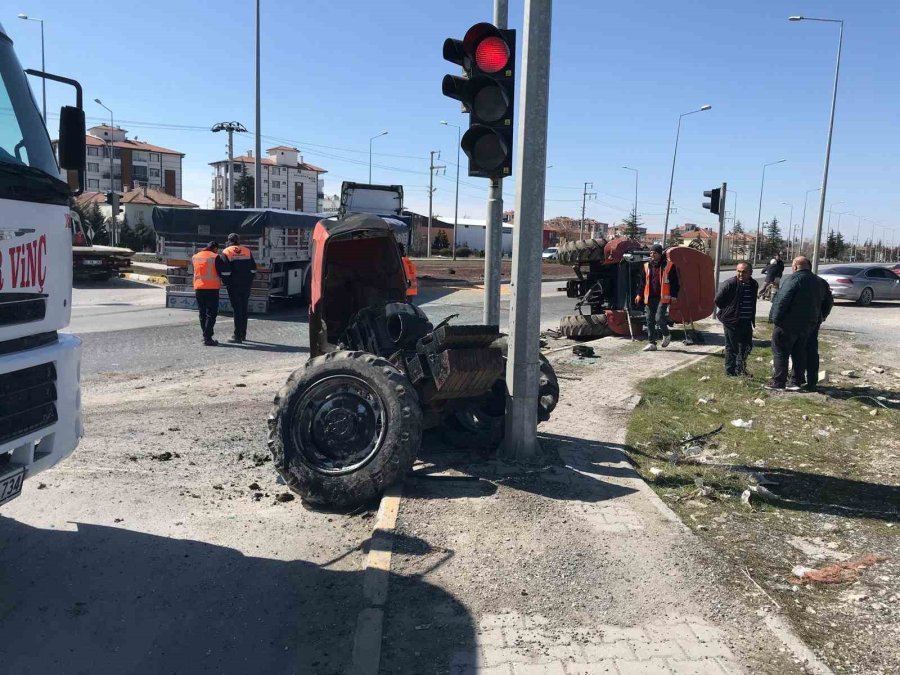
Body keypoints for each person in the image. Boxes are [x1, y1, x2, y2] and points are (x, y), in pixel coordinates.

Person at [766, 256, 824, 391]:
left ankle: (779, 382)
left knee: (780, 351)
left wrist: (775, 319)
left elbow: (782, 300)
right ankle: (796, 381)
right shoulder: (818, 281)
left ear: (796, 266)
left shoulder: (794, 279)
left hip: (788, 323)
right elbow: (827, 301)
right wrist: (819, 317)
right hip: (808, 324)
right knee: (799, 352)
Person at [714, 261, 758, 376]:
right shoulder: (730, 284)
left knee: (746, 346)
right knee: (732, 347)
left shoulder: (754, 284)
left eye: (744, 272)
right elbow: (718, 300)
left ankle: (740, 369)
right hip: (731, 321)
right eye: (738, 271)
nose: (740, 274)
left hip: (746, 321)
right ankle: (730, 372)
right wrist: (729, 311)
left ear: (750, 273)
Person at [635, 244, 679, 352]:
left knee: (659, 318)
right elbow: (642, 283)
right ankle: (652, 343)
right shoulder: (646, 266)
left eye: (654, 253)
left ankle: (666, 334)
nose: (652, 255)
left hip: (662, 298)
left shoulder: (668, 266)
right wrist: (639, 294)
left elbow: (675, 283)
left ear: (660, 254)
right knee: (649, 320)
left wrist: (674, 296)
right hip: (649, 297)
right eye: (651, 253)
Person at [220, 232, 258, 344]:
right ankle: (243, 334)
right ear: (238, 240)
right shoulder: (247, 250)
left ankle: (237, 336)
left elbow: (225, 271)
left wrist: (226, 283)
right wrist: (249, 280)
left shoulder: (226, 252)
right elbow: (253, 269)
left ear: (229, 241)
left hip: (233, 285)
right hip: (245, 284)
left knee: (237, 309)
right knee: (244, 308)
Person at [802, 272, 834, 391]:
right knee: (811, 351)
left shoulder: (796, 281)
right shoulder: (821, 282)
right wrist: (822, 316)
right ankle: (811, 380)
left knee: (798, 350)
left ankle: (798, 379)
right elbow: (829, 301)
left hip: (799, 323)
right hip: (814, 321)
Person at [192, 241, 225, 346]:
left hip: (198, 287)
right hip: (212, 288)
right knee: (211, 313)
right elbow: (221, 271)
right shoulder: (215, 257)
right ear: (215, 248)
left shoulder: (195, 256)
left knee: (202, 313)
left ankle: (205, 335)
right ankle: (207, 337)